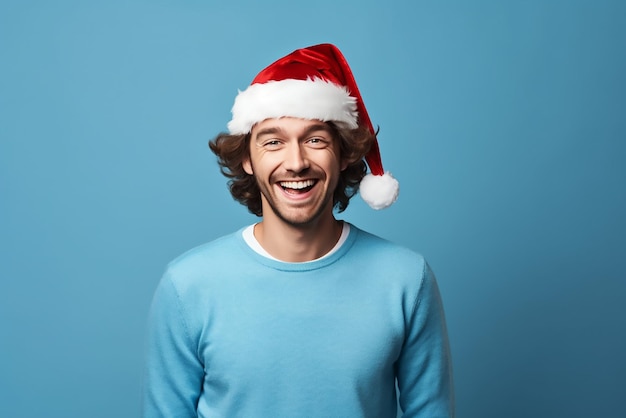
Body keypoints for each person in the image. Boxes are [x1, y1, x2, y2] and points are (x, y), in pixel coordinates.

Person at [143, 43, 454, 418]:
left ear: (342, 154)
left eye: (315, 140)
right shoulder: (187, 285)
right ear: (246, 158)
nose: (296, 163)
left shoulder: (406, 279)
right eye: (273, 142)